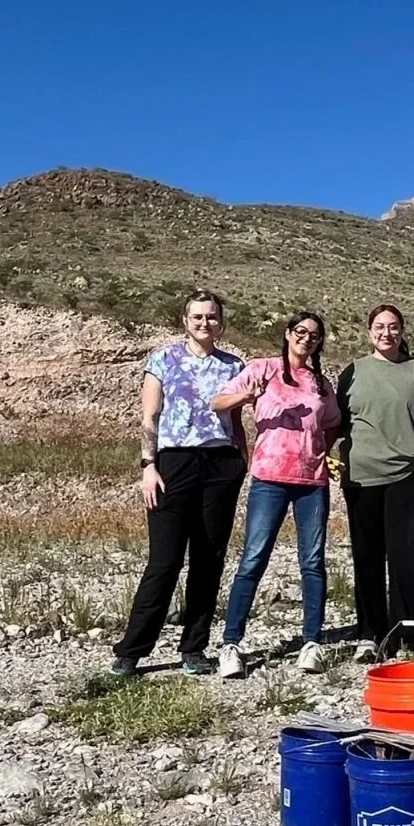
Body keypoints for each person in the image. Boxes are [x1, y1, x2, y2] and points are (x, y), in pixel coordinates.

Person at [111, 290, 248, 677]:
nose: (204, 323)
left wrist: (241, 457)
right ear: (185, 320)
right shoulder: (164, 359)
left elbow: (235, 420)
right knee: (165, 560)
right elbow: (149, 417)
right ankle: (132, 649)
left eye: (211, 317)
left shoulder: (233, 365)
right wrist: (148, 467)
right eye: (197, 317)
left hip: (220, 465)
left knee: (209, 559)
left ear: (221, 322)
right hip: (175, 463)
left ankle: (194, 647)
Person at [210, 312, 341, 678]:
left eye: (314, 336)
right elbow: (217, 402)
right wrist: (246, 395)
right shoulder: (263, 369)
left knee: (312, 561)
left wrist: (321, 450)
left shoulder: (320, 383)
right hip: (269, 477)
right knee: (254, 558)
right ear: (287, 334)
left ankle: (312, 642)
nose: (306, 339)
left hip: (312, 482)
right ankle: (231, 644)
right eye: (301, 332)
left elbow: (333, 422)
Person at [335, 304, 414, 663]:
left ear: (402, 331)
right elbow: (335, 423)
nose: (387, 333)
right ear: (369, 332)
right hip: (361, 477)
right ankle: (370, 635)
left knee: (410, 555)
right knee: (367, 557)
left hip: (406, 474)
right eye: (380, 327)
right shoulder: (352, 372)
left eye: (393, 326)